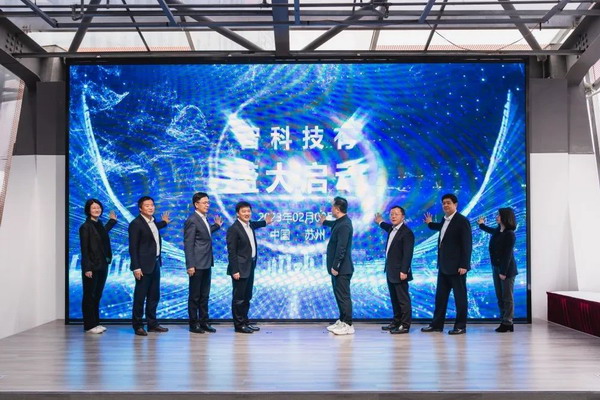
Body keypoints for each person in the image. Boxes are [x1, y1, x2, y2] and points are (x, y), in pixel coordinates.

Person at [422, 193, 472, 335]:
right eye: (443, 203)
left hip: (457, 268)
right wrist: (430, 223)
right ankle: (437, 325)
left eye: (448, 203)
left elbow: (467, 244)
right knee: (440, 298)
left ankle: (460, 326)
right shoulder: (445, 220)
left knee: (460, 299)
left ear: (455, 204)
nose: (445, 205)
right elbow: (442, 229)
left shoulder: (462, 221)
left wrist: (464, 265)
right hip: (443, 267)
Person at [226, 201, 273, 334]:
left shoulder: (249, 225)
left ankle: (245, 321)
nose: (247, 214)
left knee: (247, 296)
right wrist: (235, 270)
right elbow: (231, 252)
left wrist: (265, 222)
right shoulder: (234, 229)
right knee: (239, 298)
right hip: (239, 269)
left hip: (250, 265)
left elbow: (256, 224)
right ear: (237, 214)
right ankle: (239, 325)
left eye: (248, 211)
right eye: (243, 211)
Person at [129, 196, 171, 336]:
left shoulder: (152, 222)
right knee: (140, 297)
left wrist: (164, 223)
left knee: (154, 296)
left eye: (152, 205)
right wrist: (136, 267)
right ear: (140, 208)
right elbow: (133, 247)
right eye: (147, 205)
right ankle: (138, 326)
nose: (150, 207)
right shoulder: (135, 224)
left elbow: (152, 231)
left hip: (155, 263)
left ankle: (152, 324)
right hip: (142, 266)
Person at [184, 192, 223, 334]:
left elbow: (205, 233)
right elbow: (188, 244)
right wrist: (190, 265)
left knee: (204, 295)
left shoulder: (203, 218)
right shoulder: (192, 220)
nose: (207, 205)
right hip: (196, 264)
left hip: (206, 263)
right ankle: (193, 324)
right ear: (196, 204)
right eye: (204, 202)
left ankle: (204, 322)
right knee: (195, 296)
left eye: (208, 202)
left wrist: (216, 226)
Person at [79, 199, 117, 334]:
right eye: (94, 208)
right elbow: (84, 249)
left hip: (102, 264)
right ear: (88, 210)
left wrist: (112, 221)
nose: (97, 210)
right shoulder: (85, 227)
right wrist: (87, 268)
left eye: (98, 207)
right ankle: (89, 325)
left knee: (97, 295)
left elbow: (102, 234)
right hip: (92, 266)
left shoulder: (98, 224)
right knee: (89, 296)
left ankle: (95, 323)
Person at [375, 206, 415, 334]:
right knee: (394, 299)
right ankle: (396, 322)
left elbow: (408, 254)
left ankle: (405, 325)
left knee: (403, 300)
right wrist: (380, 221)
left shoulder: (407, 233)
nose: (393, 216)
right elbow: (385, 226)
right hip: (391, 271)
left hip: (400, 272)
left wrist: (404, 271)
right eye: (391, 214)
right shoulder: (391, 228)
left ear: (403, 217)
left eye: (396, 214)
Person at [478, 208, 518, 332]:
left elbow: (507, 254)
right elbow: (489, 230)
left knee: (507, 297)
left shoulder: (510, 234)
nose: (497, 217)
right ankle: (505, 321)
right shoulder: (498, 231)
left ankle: (507, 322)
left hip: (506, 270)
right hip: (496, 267)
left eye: (499, 215)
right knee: (500, 296)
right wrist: (481, 225)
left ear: (505, 217)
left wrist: (503, 272)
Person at [320, 196, 354, 335]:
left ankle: (348, 324)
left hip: (342, 268)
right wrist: (324, 221)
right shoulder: (340, 222)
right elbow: (334, 224)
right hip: (338, 269)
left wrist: (336, 266)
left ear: (337, 209)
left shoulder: (345, 225)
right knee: (339, 296)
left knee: (344, 297)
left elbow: (342, 248)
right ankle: (342, 320)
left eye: (332, 206)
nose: (331, 209)